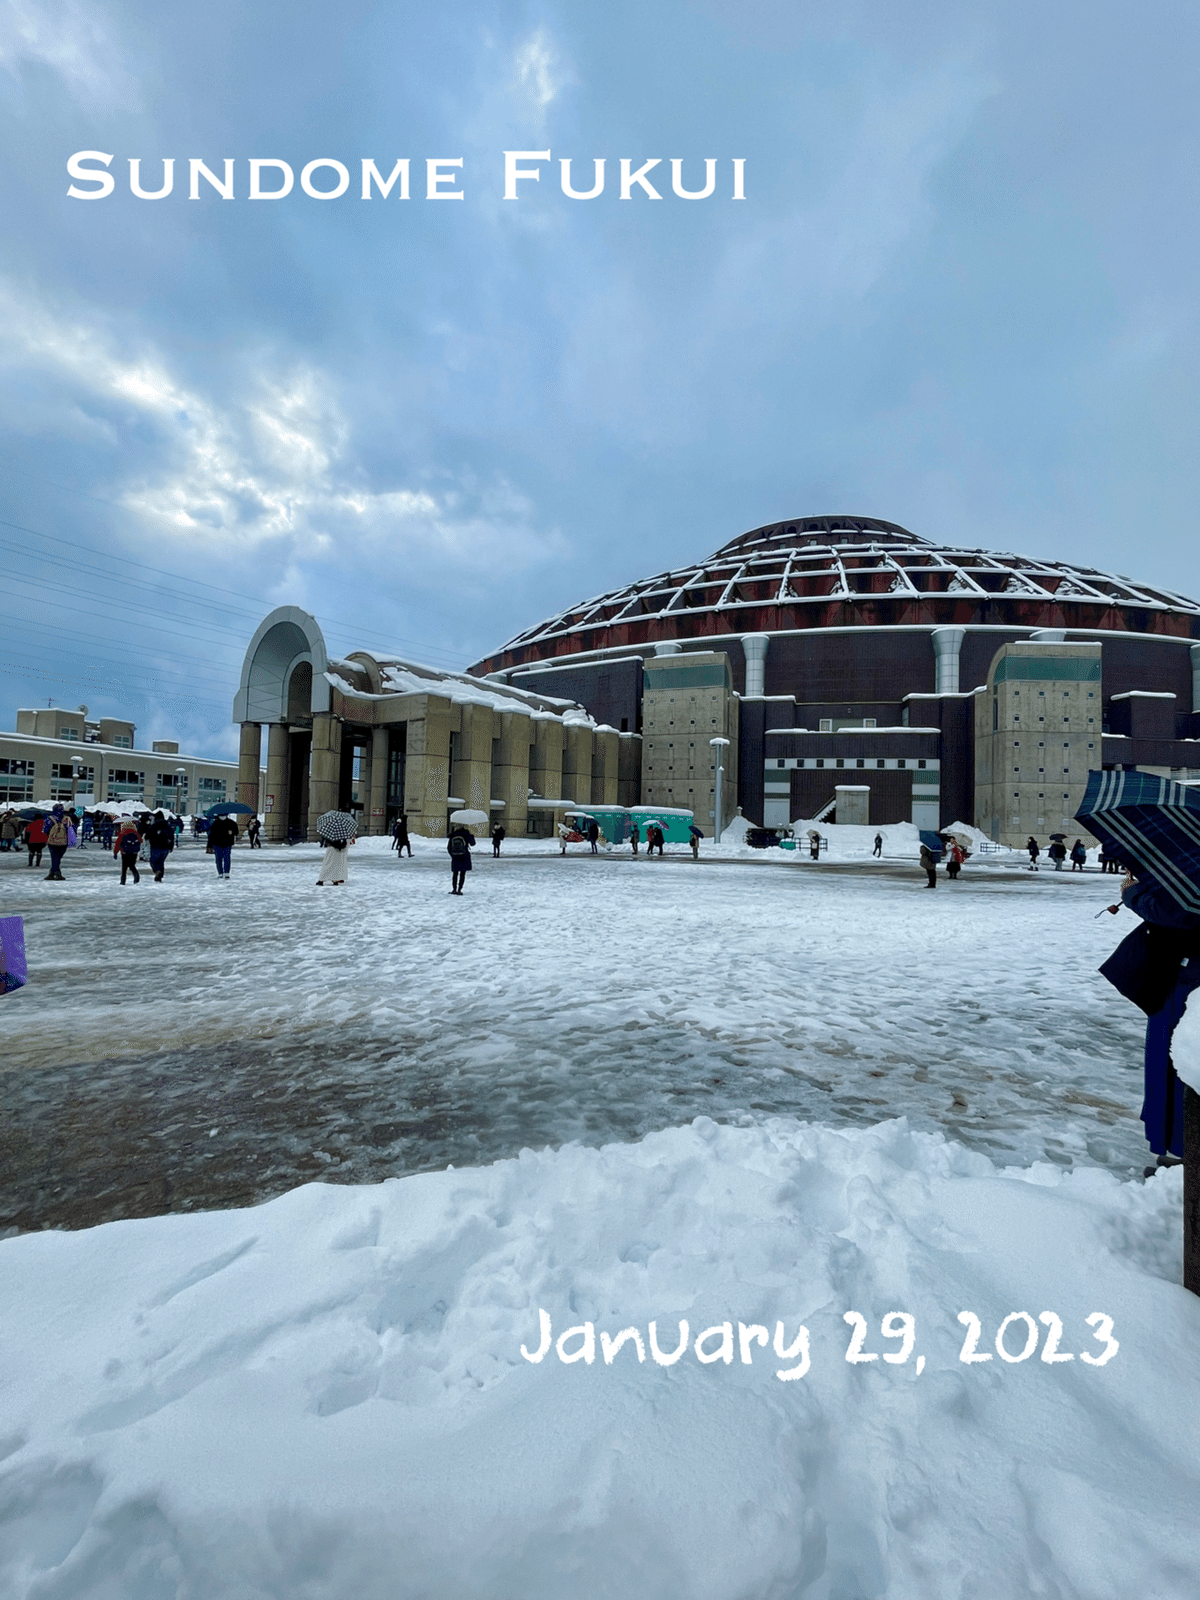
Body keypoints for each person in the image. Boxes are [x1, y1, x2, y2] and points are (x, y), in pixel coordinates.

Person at [1106, 869, 1200, 1173]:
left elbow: (1178, 914)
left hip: (1187, 981)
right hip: (1186, 977)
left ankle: (1181, 1151)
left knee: (1175, 1064)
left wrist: (1134, 894)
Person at [146, 809, 175, 882]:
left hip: (155, 846)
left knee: (153, 862)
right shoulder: (168, 826)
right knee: (161, 862)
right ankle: (160, 875)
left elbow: (147, 835)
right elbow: (171, 836)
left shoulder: (154, 826)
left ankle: (157, 872)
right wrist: (171, 846)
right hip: (166, 847)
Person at [207, 813, 238, 880]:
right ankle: (220, 872)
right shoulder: (215, 823)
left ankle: (226, 872)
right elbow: (211, 835)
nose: (222, 817)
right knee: (219, 858)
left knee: (226, 858)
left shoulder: (231, 823)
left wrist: (232, 832)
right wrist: (210, 844)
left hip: (227, 843)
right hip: (217, 843)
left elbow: (236, 832)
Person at [43, 805, 70, 880]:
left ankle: (54, 873)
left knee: (54, 857)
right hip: (64, 842)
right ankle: (56, 873)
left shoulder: (50, 819)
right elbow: (71, 830)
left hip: (52, 841)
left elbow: (45, 829)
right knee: (58, 858)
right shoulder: (66, 819)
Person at [448, 824, 475, 893]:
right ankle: (460, 889)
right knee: (462, 874)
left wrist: (452, 855)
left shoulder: (453, 834)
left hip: (455, 856)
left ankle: (454, 889)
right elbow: (473, 843)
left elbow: (449, 847)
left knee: (455, 873)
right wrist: (471, 836)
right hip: (464, 856)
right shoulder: (466, 834)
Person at [114, 817, 142, 884]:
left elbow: (118, 843)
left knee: (124, 867)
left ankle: (123, 881)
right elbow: (140, 841)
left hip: (125, 852)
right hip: (134, 852)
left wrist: (115, 852)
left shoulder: (123, 833)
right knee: (132, 865)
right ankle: (136, 877)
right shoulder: (136, 833)